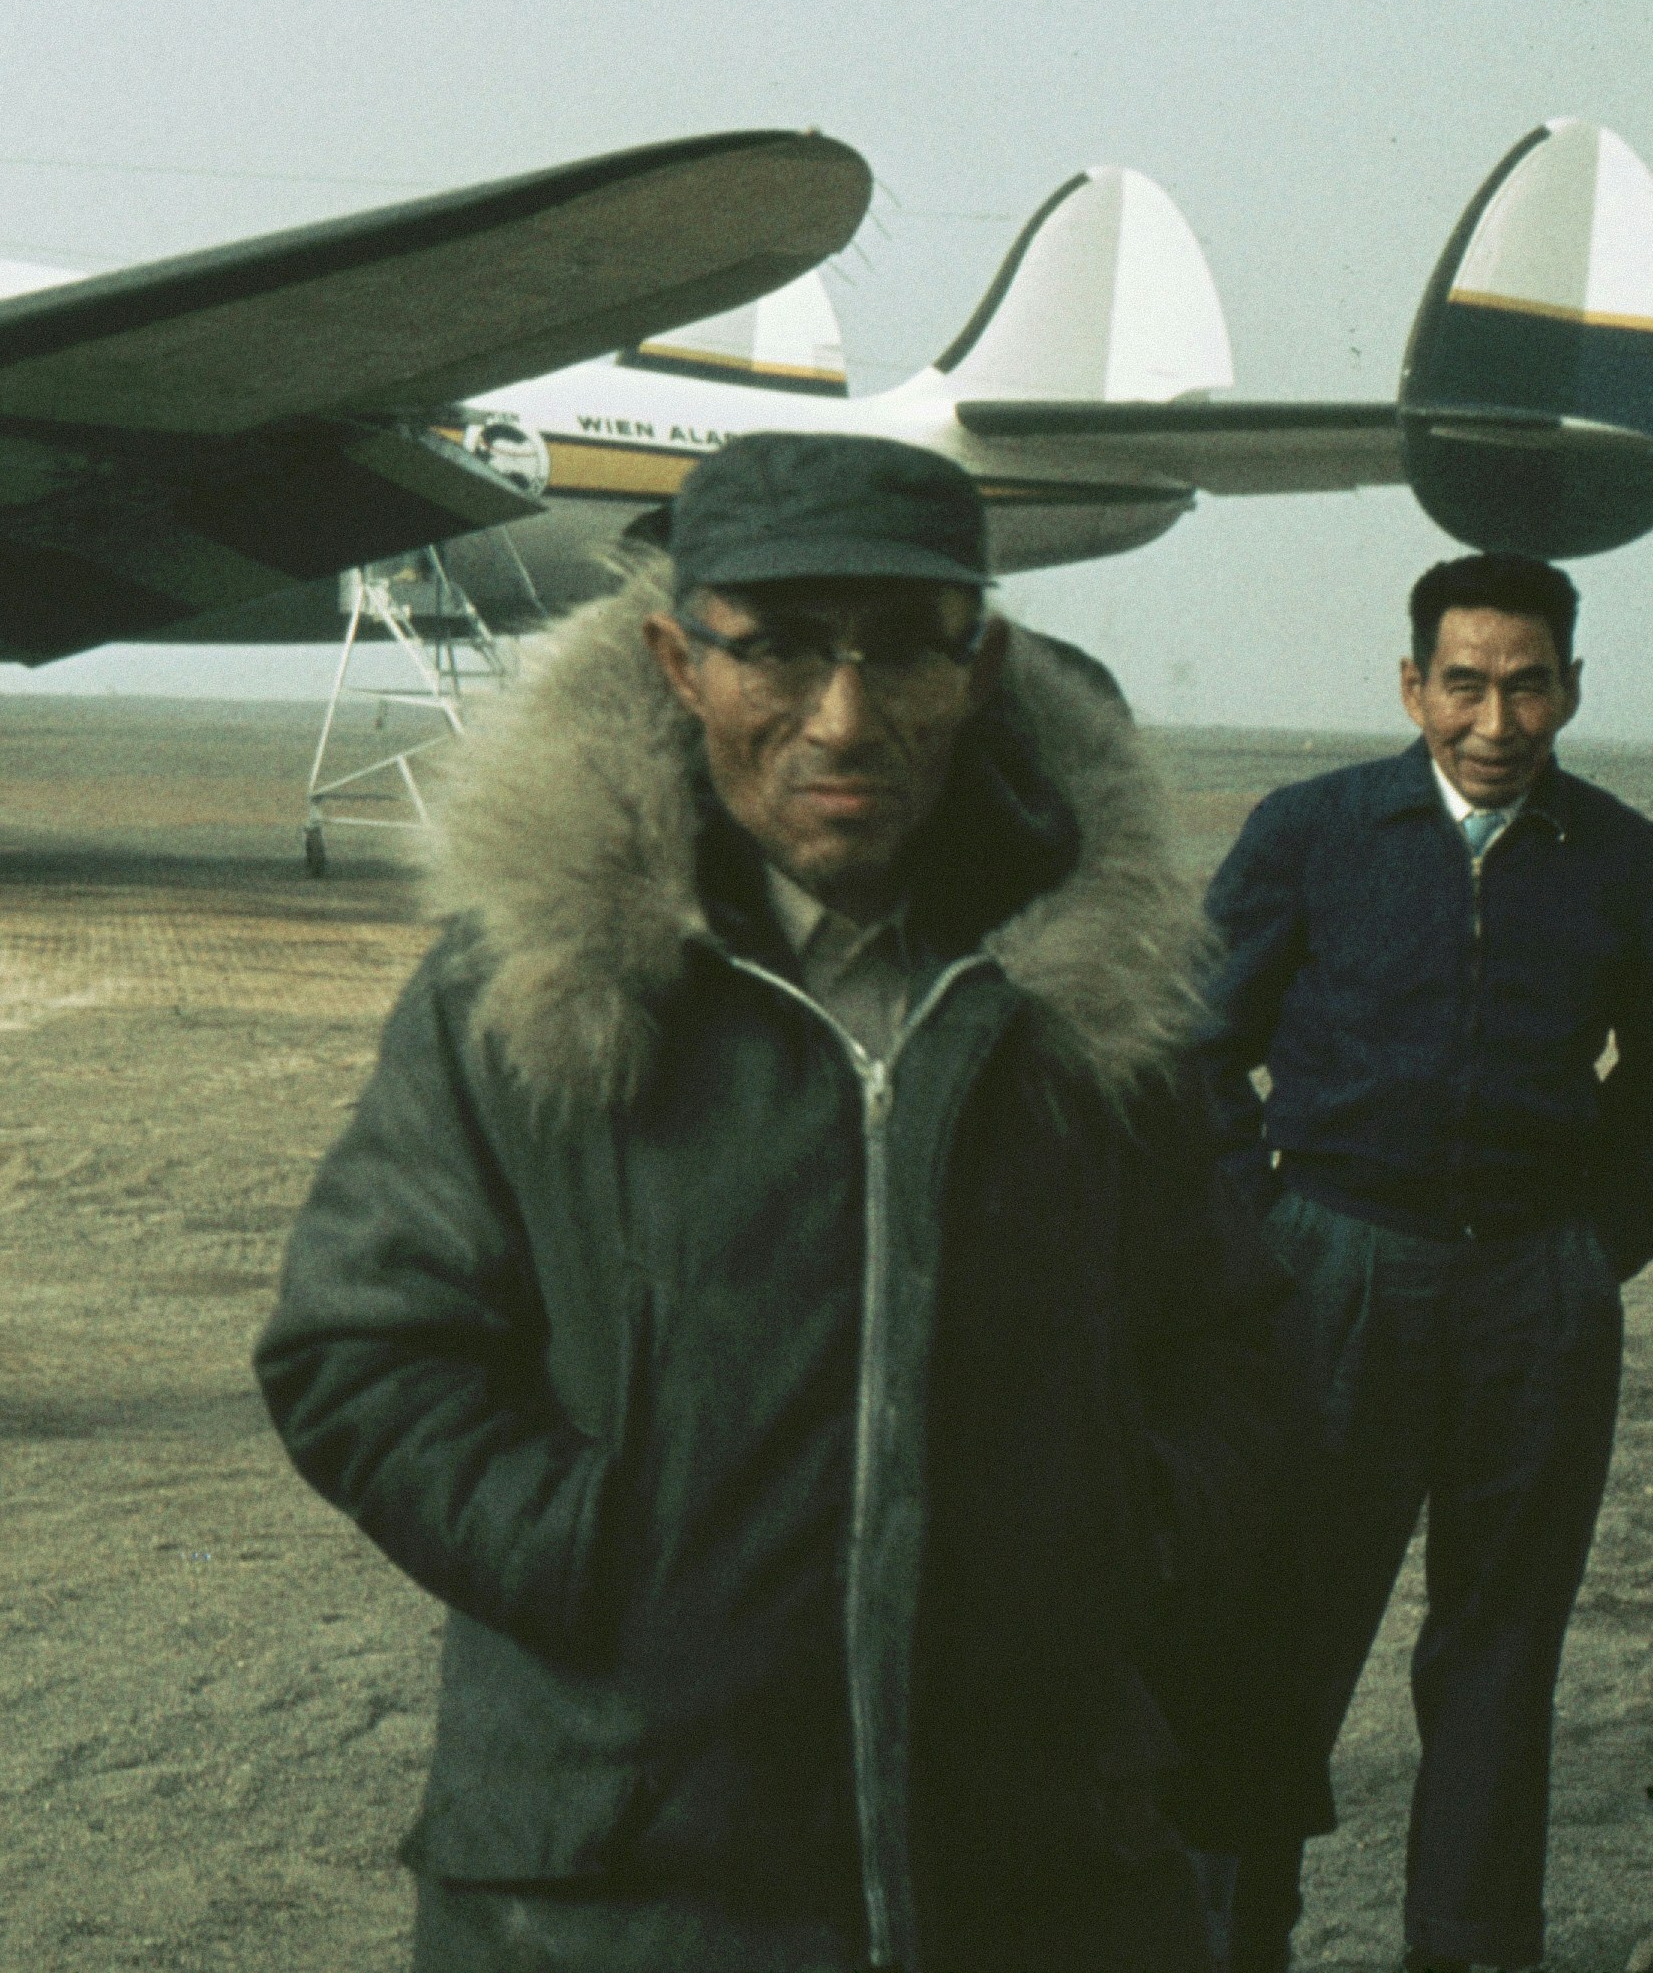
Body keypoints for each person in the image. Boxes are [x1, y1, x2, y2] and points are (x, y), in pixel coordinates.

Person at [255, 433, 1295, 1973]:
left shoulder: (1088, 1006)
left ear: (982, 659)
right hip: (619, 1872)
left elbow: (1233, 1345)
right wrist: (598, 1548)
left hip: (1025, 1867)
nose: (843, 715)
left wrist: (1104, 1532)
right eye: (781, 647)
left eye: (899, 650)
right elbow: (356, 1348)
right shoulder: (525, 987)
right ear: (678, 658)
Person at [1190, 553, 1653, 1973]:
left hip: (1532, 1301)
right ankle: (1229, 1934)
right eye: (1464, 683)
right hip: (1329, 1283)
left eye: (1527, 682)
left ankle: (1470, 1945)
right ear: (1410, 683)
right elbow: (1185, 1047)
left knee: (1495, 1652)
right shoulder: (1313, 832)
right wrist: (1265, 1232)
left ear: (1566, 686)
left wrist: (1596, 1244)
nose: (1495, 721)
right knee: (1271, 1638)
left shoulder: (1627, 861)